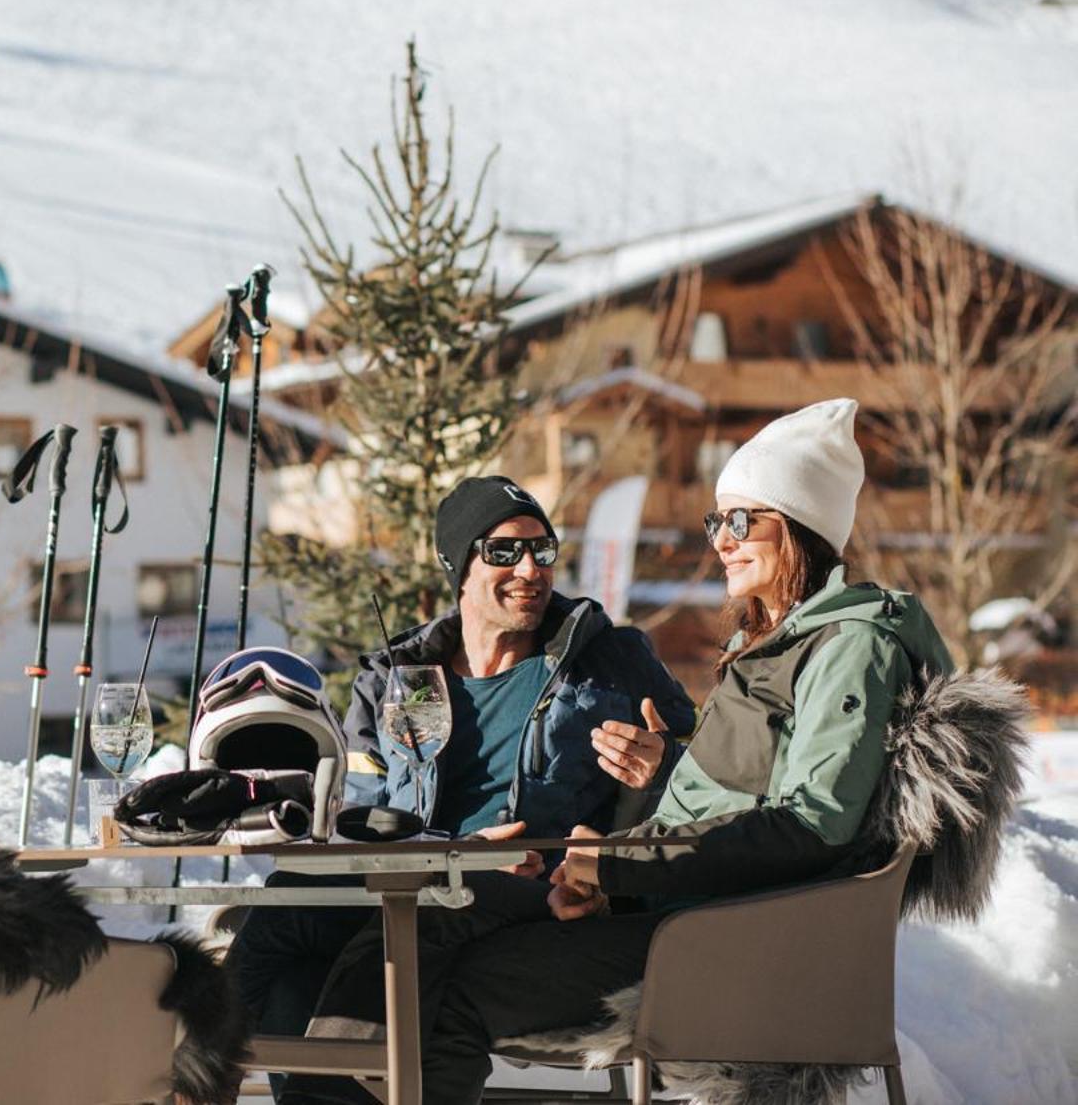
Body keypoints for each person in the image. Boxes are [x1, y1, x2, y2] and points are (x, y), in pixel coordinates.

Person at [399, 398, 959, 1102]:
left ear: (799, 528)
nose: (720, 539)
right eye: (715, 521)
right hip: (699, 922)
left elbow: (813, 824)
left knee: (456, 984)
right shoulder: (772, 649)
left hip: (743, 948)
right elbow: (741, 797)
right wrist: (616, 875)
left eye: (740, 519)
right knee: (435, 956)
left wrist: (620, 864)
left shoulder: (854, 648)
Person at [225, 476, 694, 1101]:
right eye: (504, 551)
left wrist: (662, 765)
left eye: (543, 550)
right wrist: (451, 845)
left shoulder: (609, 661)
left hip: (539, 889)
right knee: (292, 918)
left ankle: (196, 1060)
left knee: (440, 897)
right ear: (460, 565)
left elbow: (706, 780)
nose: (529, 568)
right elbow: (357, 818)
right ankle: (205, 1055)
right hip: (414, 873)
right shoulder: (397, 677)